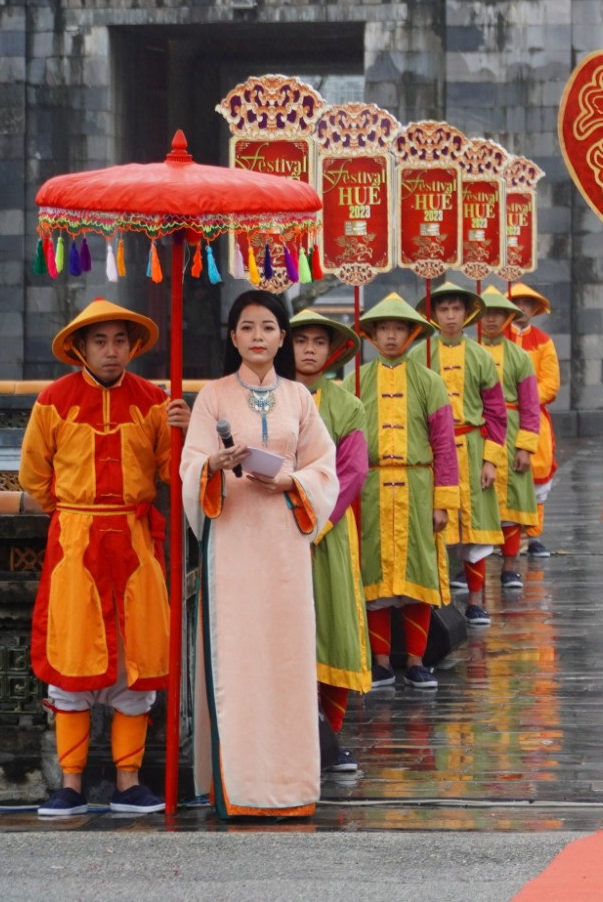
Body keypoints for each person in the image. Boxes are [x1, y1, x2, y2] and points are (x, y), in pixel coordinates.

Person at [20, 298, 191, 818]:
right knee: (72, 663)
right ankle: (70, 785)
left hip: (136, 542)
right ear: (81, 348)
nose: (111, 351)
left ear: (132, 346)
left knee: (135, 664)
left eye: (120, 340)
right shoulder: (54, 400)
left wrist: (185, 430)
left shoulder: (154, 401)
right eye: (100, 341)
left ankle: (128, 782)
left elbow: (172, 472)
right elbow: (33, 476)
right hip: (76, 543)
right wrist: (74, 515)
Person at [181, 290, 340, 819]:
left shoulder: (300, 398)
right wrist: (214, 465)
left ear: (282, 337)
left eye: (268, 328)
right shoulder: (214, 398)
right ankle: (240, 786)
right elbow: (191, 466)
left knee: (287, 661)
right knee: (239, 661)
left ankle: (290, 785)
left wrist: (292, 479)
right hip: (233, 547)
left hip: (283, 545)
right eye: (247, 327)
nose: (257, 337)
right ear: (233, 337)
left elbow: (324, 469)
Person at [354, 294, 461, 691]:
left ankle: (416, 661)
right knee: (376, 580)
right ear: (373, 334)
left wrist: (443, 500)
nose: (391, 336)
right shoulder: (356, 381)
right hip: (371, 487)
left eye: (399, 328)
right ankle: (382, 662)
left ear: (412, 333)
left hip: (417, 485)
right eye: (384, 328)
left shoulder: (429, 381)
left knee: (417, 575)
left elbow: (445, 446)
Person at [287, 309, 373, 774]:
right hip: (275, 532)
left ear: (333, 351)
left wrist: (317, 519)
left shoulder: (347, 405)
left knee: (333, 622)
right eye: (301, 341)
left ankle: (331, 736)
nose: (309, 350)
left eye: (319, 342)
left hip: (328, 532)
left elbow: (354, 471)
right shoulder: (268, 397)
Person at [417, 282, 508, 629]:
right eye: (444, 310)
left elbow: (496, 412)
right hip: (433, 451)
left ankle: (475, 599)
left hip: (471, 446)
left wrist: (490, 459)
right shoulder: (420, 354)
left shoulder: (482, 356)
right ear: (434, 314)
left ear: (466, 314)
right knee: (435, 527)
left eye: (456, 309)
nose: (451, 316)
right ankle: (438, 600)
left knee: (476, 532)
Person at [477, 288, 541, 592]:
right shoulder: (469, 351)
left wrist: (526, 446)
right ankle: (470, 569)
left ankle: (510, 565)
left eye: (497, 313)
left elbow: (531, 404)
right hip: (478, 432)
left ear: (507, 318)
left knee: (512, 501)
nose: (491, 319)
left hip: (512, 432)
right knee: (476, 499)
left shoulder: (520, 356)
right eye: (485, 313)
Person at [507, 282, 562, 556]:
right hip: (499, 417)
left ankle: (534, 535)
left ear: (533, 309)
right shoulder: (492, 338)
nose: (521, 308)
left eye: (526, 304)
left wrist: (523, 398)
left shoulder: (543, 341)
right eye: (516, 303)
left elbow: (551, 383)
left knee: (537, 474)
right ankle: (502, 537)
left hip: (534, 417)